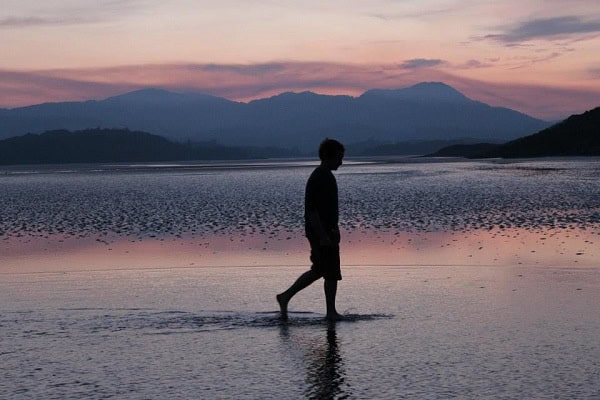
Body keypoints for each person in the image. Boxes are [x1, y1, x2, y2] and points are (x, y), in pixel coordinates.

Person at [277, 138, 345, 321]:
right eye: (339, 157)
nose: (341, 162)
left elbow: (329, 210)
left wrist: (335, 229)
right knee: (329, 271)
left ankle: (286, 297)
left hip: (327, 232)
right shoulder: (319, 177)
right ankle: (329, 311)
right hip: (320, 233)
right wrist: (322, 235)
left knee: (323, 270)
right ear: (329, 156)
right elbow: (312, 211)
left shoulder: (326, 176)